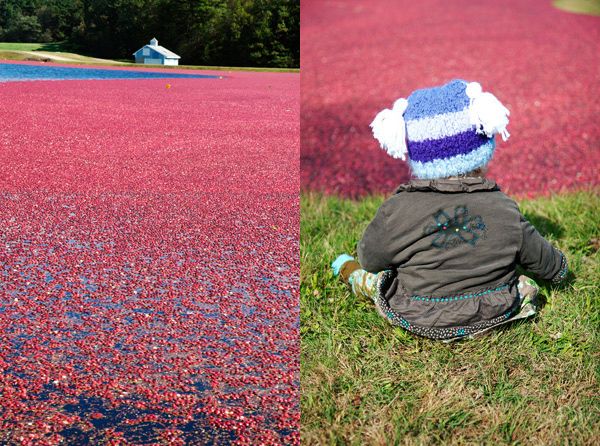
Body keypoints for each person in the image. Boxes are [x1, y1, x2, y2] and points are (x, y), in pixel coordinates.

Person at [332, 80, 568, 341]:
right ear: (482, 149)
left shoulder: (398, 209)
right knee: (527, 285)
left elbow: (371, 259)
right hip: (492, 311)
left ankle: (349, 273)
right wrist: (559, 269)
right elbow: (551, 267)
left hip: (418, 313)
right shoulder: (503, 207)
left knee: (384, 279)